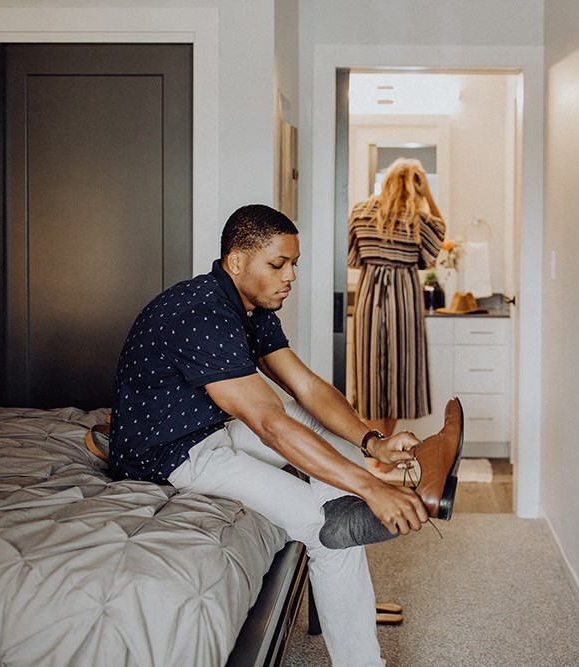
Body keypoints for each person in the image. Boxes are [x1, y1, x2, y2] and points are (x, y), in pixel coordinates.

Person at [107, 204, 462, 667]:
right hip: (172, 455)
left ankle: (358, 505)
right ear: (237, 261)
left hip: (208, 428)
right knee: (323, 529)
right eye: (278, 264)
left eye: (294, 263)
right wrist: (372, 487)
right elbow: (270, 425)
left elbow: (307, 387)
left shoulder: (249, 305)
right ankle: (357, 518)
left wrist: (372, 442)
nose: (290, 275)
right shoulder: (201, 313)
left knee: (309, 421)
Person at [348, 158, 447, 443]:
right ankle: (384, 451)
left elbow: (353, 260)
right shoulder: (418, 219)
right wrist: (428, 194)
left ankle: (373, 449)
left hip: (369, 299)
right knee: (399, 375)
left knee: (370, 375)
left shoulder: (360, 212)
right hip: (404, 301)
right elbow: (439, 237)